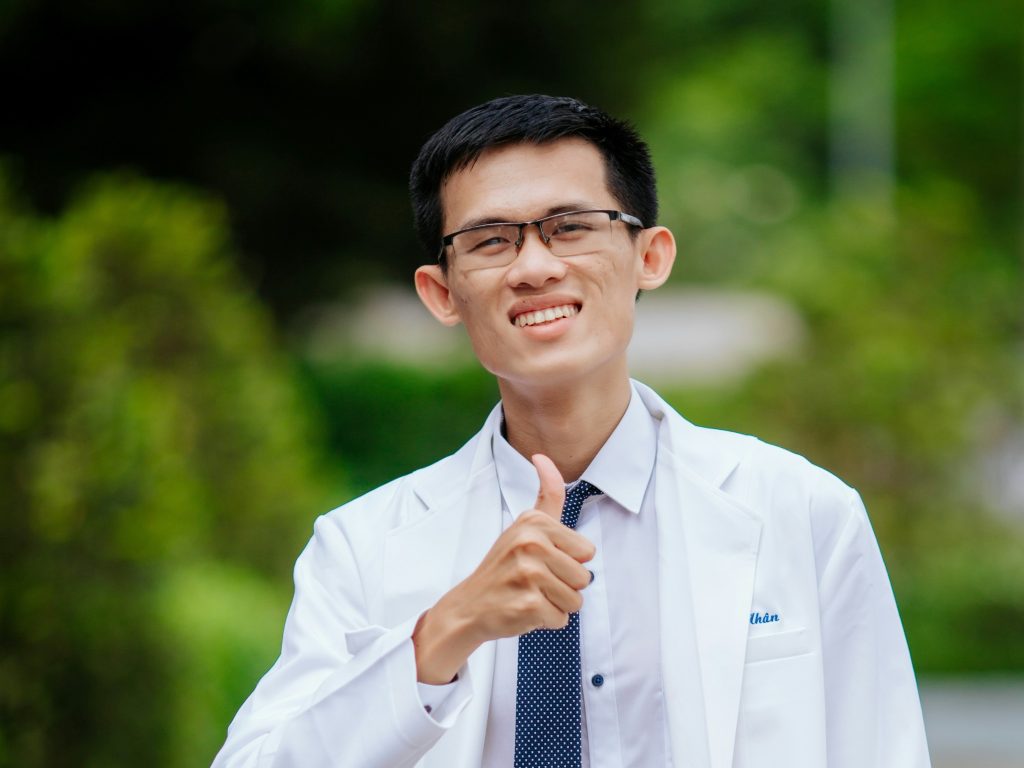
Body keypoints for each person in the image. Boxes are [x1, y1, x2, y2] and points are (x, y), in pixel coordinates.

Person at [213, 94, 931, 768]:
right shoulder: (362, 548)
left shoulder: (801, 511)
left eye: (572, 227)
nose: (535, 266)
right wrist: (443, 634)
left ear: (650, 256)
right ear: (441, 292)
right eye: (490, 241)